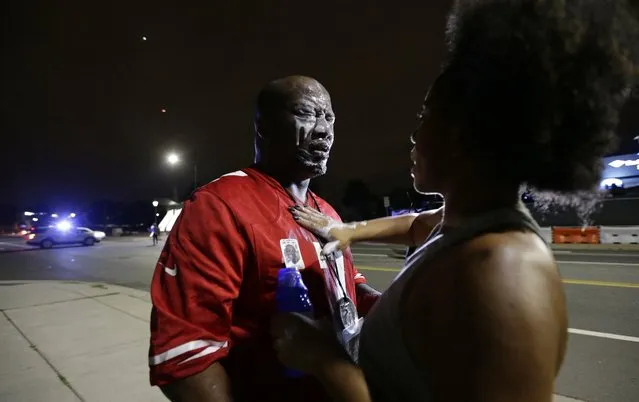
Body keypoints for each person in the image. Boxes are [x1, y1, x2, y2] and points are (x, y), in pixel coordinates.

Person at [271, 1, 639, 401]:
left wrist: (324, 360)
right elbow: (414, 225)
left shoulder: (503, 273)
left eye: (425, 117)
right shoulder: (467, 223)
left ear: (462, 134)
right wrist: (346, 231)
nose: (414, 137)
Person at [148, 75, 380, 402]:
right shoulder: (221, 205)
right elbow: (185, 354)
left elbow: (347, 285)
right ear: (264, 126)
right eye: (306, 113)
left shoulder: (327, 211)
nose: (324, 129)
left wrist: (390, 306)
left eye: (329, 118)